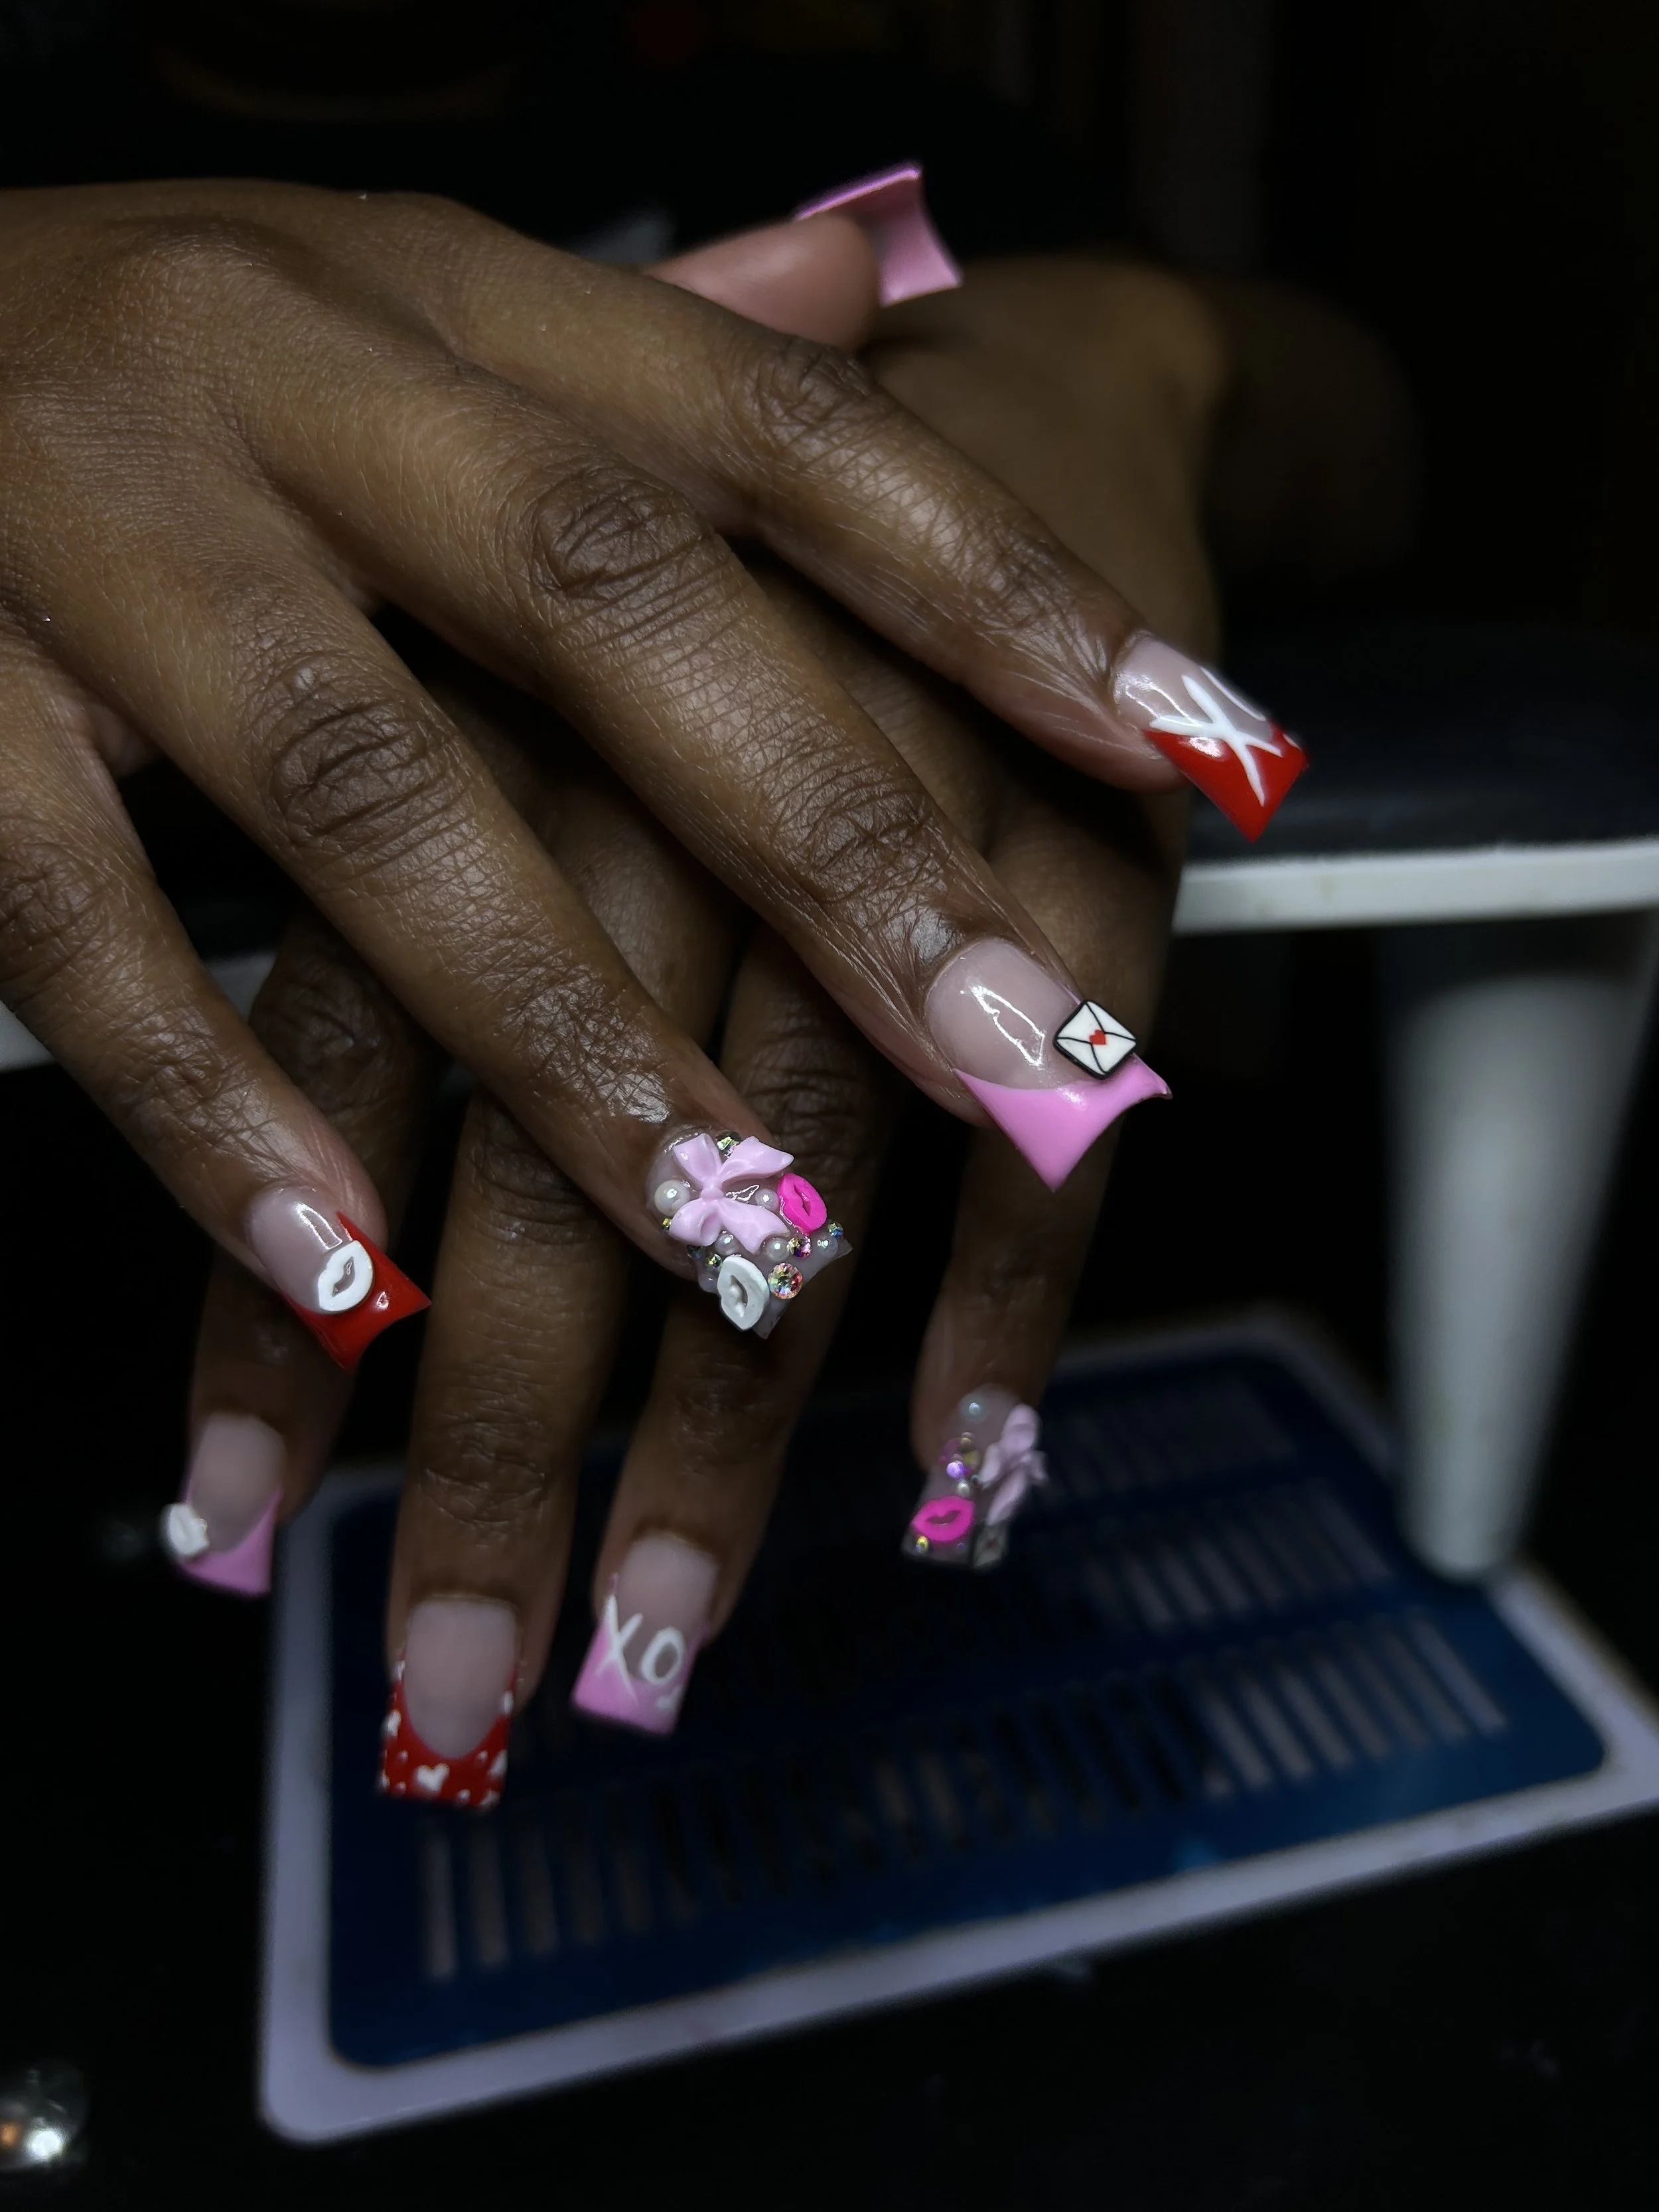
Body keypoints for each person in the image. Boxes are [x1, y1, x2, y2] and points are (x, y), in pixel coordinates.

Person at [0, 3, 1408, 1791]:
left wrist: (1114, 353)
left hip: (936, 1456)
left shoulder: (850, 139)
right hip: (89, 1429)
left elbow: (1367, 431)